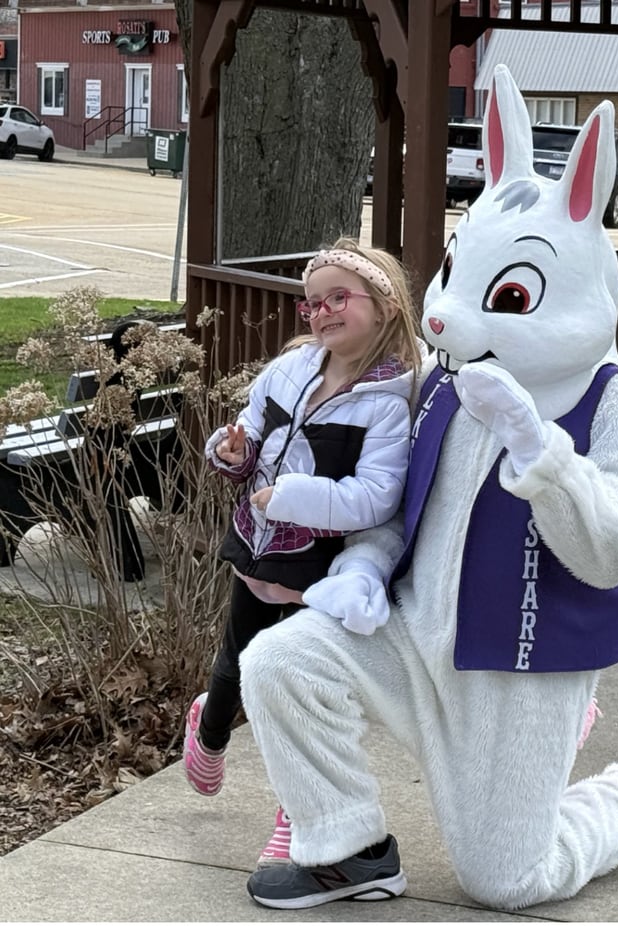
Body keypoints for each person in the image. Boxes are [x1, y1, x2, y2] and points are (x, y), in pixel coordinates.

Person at [238, 66, 618, 912]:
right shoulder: (444, 384)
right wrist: (365, 567)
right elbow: (404, 507)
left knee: (509, 881)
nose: (443, 316)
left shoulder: (610, 399)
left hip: (521, 666)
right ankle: (347, 847)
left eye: (509, 294)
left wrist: (541, 453)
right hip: (415, 636)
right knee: (278, 663)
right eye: (455, 274)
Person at [182, 237, 423, 867]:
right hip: (259, 548)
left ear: (387, 304)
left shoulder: (391, 400)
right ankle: (208, 731)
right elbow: (246, 433)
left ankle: (296, 812)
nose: (321, 313)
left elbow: (375, 497)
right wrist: (228, 452)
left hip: (319, 567)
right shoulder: (289, 370)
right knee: (235, 662)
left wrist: (290, 495)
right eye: (311, 304)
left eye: (338, 298)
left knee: (297, 691)